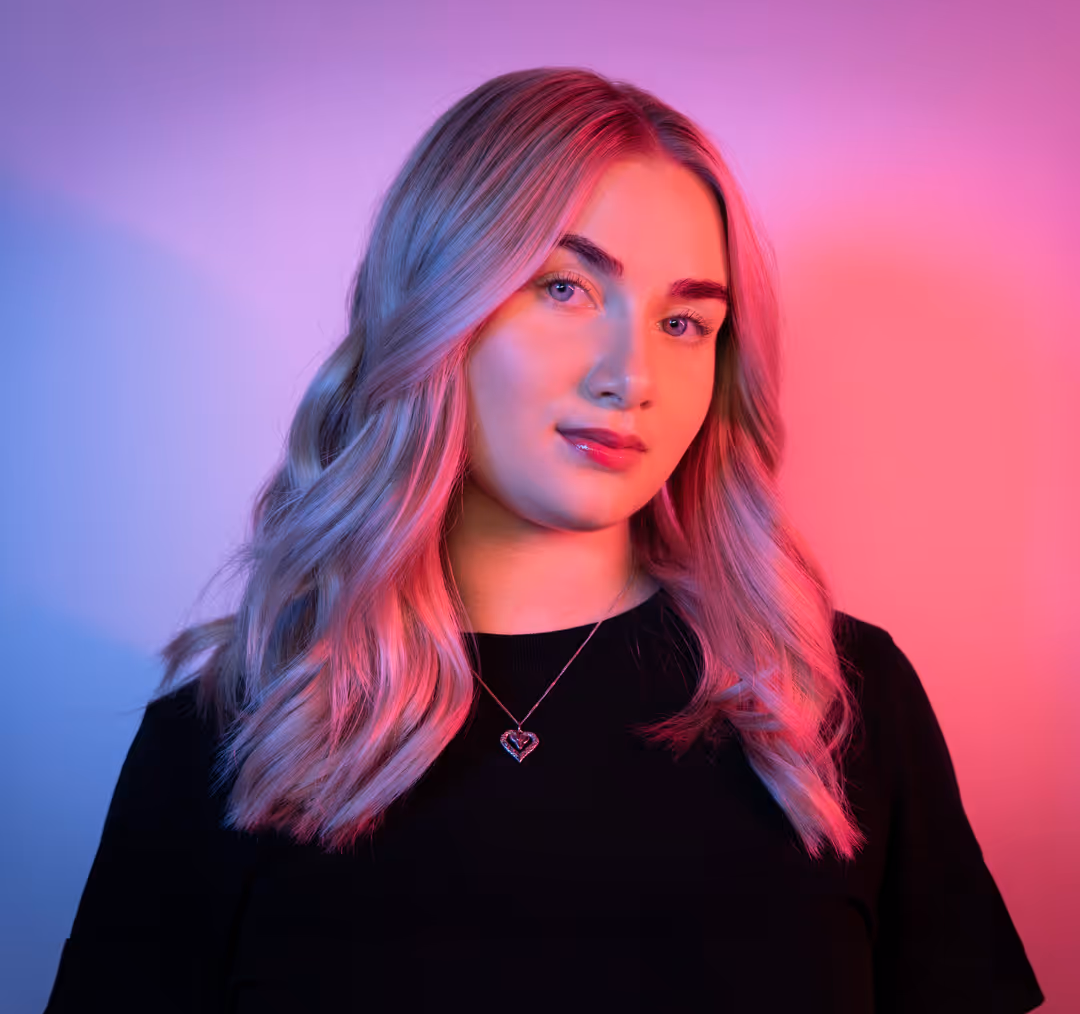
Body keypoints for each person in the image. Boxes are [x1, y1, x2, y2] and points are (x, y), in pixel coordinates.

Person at [43, 68, 1044, 1013]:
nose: (631, 374)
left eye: (686, 324)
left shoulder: (833, 705)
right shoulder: (233, 736)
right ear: (437, 311)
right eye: (565, 288)